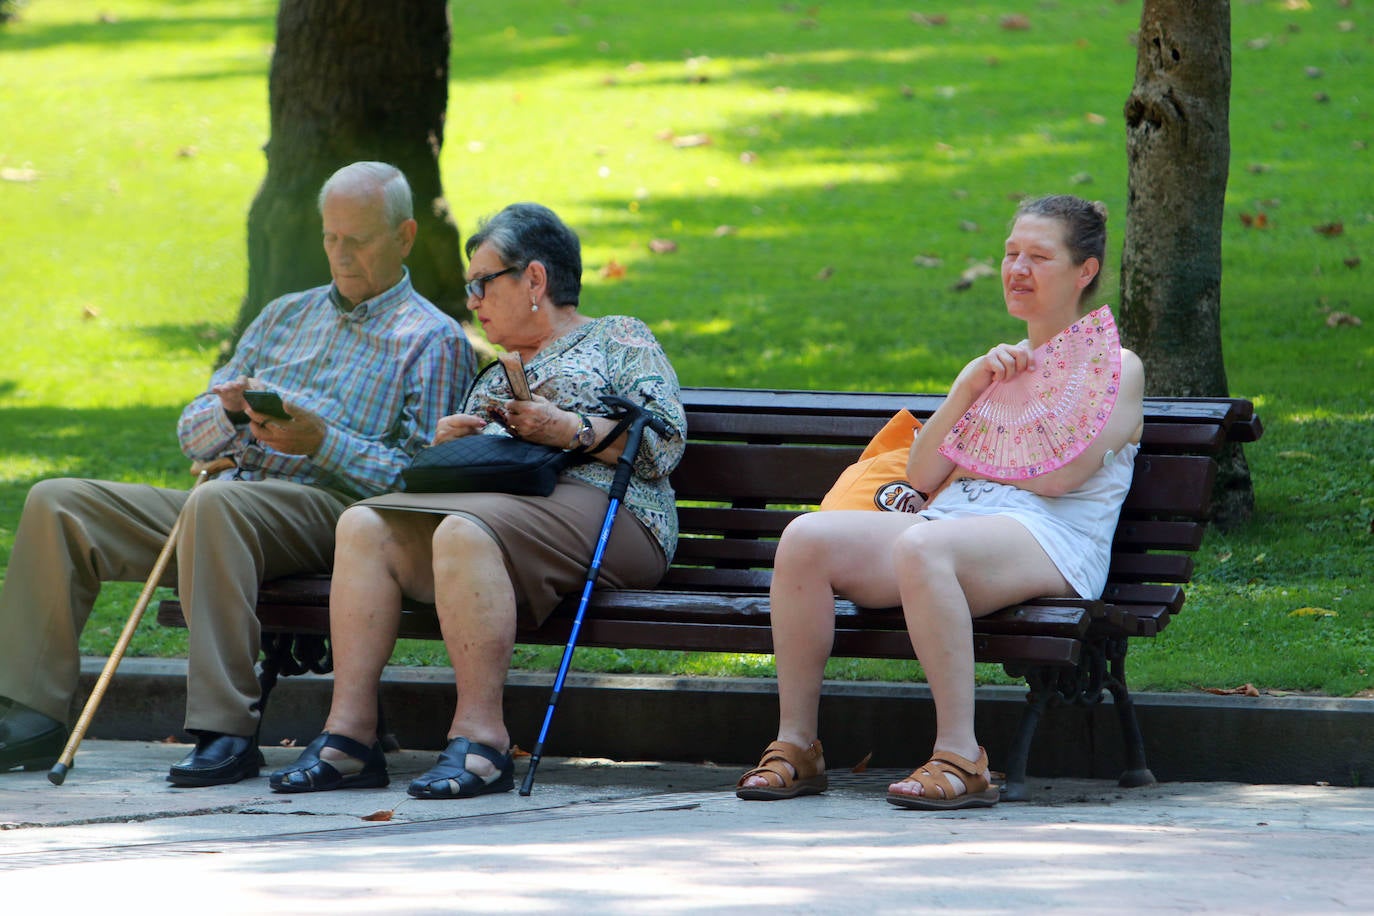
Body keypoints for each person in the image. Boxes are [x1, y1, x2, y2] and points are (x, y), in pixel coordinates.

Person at [0, 161, 476, 785]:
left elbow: (417, 482)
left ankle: (226, 729)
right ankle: (29, 714)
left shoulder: (433, 339)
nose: (340, 253)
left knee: (217, 507)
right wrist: (229, 416)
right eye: (331, 237)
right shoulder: (283, 315)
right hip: (229, 501)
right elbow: (190, 432)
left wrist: (321, 443)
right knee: (59, 502)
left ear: (406, 236)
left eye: (357, 239)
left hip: (337, 513)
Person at [735, 194, 1145, 810]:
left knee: (926, 545)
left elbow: (1061, 477)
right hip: (952, 527)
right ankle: (798, 745)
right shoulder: (996, 370)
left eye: (1038, 256)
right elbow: (925, 475)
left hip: (1050, 540)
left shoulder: (1116, 367)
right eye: (1010, 254)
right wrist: (967, 388)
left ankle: (962, 755)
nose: (1017, 270)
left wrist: (981, 453)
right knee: (805, 539)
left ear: (1084, 271)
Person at [269, 202, 686, 798]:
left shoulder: (618, 336)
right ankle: (350, 737)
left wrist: (564, 428)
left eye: (482, 284)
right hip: (501, 520)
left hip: (614, 516)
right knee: (364, 524)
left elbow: (664, 442)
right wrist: (447, 451)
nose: (472, 301)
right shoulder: (493, 373)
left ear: (534, 279)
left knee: (463, 529)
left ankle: (482, 741)